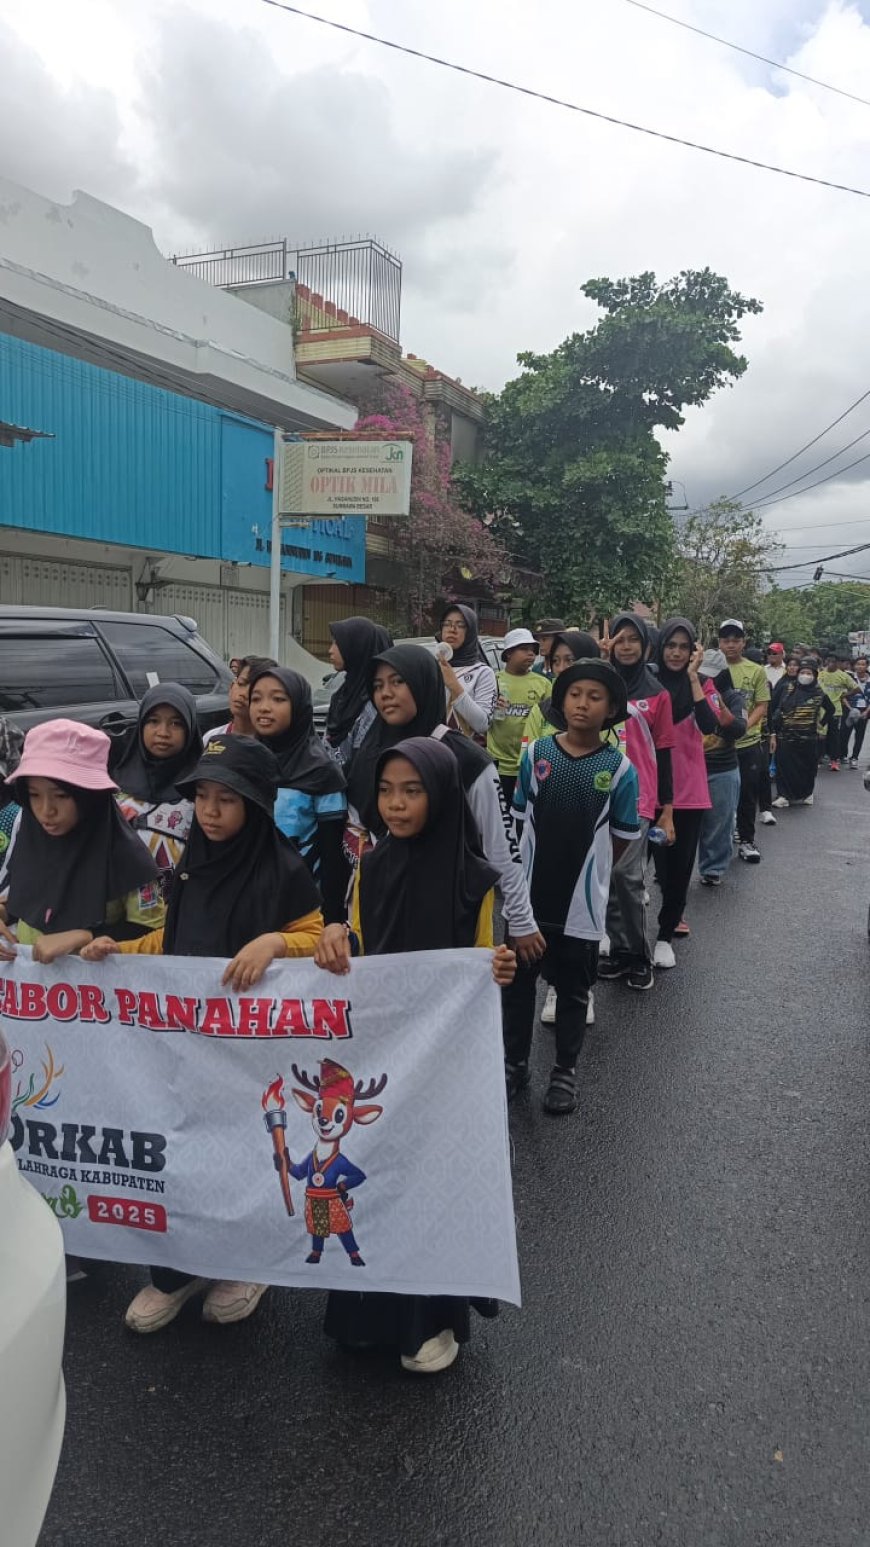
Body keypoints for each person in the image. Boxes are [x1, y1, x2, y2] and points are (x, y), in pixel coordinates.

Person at [81, 736, 325, 1333]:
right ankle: (176, 1270)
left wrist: (274, 942)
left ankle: (245, 1262)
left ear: (257, 807)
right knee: (184, 1151)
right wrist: (119, 950)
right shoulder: (190, 863)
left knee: (244, 1157)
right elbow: (173, 940)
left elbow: (321, 942)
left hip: (252, 1056)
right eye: (203, 799)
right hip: (189, 1047)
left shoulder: (284, 870)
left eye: (227, 800)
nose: (211, 812)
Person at [314, 736, 516, 1374]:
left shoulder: (475, 878)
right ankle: (365, 1318)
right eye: (386, 791)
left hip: (445, 1062)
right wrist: (334, 937)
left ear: (443, 795)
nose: (396, 805)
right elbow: (360, 952)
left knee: (430, 1182)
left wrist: (499, 968)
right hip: (381, 1052)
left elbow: (484, 961)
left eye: (413, 790)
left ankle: (433, 1320)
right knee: (378, 1179)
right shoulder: (369, 866)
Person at [345, 646, 545, 962]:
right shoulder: (370, 751)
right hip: (383, 902)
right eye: (378, 685)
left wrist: (520, 919)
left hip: (451, 908)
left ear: (423, 682)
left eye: (398, 682)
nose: (386, 694)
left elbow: (501, 845)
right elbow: (361, 832)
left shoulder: (467, 760)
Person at [503, 660, 639, 1113]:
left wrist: (593, 878)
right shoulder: (536, 755)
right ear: (561, 702)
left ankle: (564, 1070)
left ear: (612, 708)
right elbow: (519, 823)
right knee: (518, 987)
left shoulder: (619, 769)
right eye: (575, 694)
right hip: (529, 900)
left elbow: (621, 837)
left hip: (580, 904)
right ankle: (514, 1064)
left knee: (574, 988)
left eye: (594, 696)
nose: (583, 703)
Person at [0, 719, 163, 960]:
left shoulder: (127, 858)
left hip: (100, 993)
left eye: (61, 795)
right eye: (34, 795)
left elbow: (152, 930)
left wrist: (87, 935)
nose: (46, 810)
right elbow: (25, 903)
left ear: (90, 797)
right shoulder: (31, 841)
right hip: (32, 993)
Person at [597, 612, 674, 993]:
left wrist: (668, 808)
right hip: (598, 794)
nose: (625, 646)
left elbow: (665, 752)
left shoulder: (658, 693)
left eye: (633, 639)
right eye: (619, 639)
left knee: (627, 877)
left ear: (645, 645)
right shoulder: (601, 686)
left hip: (639, 797)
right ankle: (621, 950)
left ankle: (639, 955)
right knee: (607, 877)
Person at [247, 665, 348, 924]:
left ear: (300, 706)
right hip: (248, 901)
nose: (264, 707)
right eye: (256, 698)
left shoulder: (322, 771)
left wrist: (332, 921)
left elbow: (332, 857)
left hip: (302, 908)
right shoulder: (244, 761)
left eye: (278, 699)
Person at [650, 619, 721, 966]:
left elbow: (711, 725)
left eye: (683, 646)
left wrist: (694, 677)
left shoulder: (705, 684)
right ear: (660, 647)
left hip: (687, 793)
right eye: (670, 646)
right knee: (632, 867)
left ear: (693, 650)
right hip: (646, 789)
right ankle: (620, 932)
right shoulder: (646, 682)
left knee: (678, 869)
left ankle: (665, 935)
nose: (676, 653)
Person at [110, 684, 203, 891]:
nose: (163, 732)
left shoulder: (201, 792)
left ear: (190, 728)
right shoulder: (116, 789)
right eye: (153, 721)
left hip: (181, 905)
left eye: (176, 723)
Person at [717, 620, 770, 863]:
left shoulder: (756, 670)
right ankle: (714, 845)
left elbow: (762, 705)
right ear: (719, 643)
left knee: (748, 795)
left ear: (743, 643)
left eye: (736, 640)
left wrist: (743, 727)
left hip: (748, 744)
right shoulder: (710, 668)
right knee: (716, 798)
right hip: (716, 746)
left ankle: (747, 840)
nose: (731, 645)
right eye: (726, 640)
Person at [696, 651, 747, 886]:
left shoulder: (734, 697)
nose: (707, 679)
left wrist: (716, 699)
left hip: (722, 768)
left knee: (719, 823)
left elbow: (737, 728)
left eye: (712, 676)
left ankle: (713, 868)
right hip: (692, 768)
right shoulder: (690, 691)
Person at [487, 628, 549, 809]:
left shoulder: (542, 684)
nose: (531, 654)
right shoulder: (493, 681)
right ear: (508, 654)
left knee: (526, 816)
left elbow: (550, 723)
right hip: (499, 765)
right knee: (501, 816)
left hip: (531, 764)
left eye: (533, 649)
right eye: (524, 648)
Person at [323, 618, 392, 766]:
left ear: (356, 647)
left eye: (337, 643)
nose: (331, 650)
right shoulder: (342, 695)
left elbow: (363, 760)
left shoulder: (373, 703)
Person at [522, 631, 602, 748]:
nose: (560, 669)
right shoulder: (540, 711)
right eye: (555, 661)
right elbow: (526, 759)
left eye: (570, 660)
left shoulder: (605, 711)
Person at [771, 659, 832, 808]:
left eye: (809, 673)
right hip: (786, 736)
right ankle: (783, 795)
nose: (805, 675)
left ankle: (807, 793)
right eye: (802, 672)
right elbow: (777, 707)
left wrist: (821, 724)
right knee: (784, 767)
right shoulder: (788, 688)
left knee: (807, 767)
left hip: (808, 737)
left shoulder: (818, 693)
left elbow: (831, 710)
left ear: (815, 676)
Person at [436, 605, 497, 739]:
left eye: (460, 625)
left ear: (470, 632)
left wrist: (453, 685)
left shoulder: (482, 672)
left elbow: (482, 724)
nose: (452, 629)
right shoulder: (430, 666)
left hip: (465, 754)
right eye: (447, 624)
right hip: (430, 751)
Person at [204, 655, 278, 744]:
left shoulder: (275, 745)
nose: (243, 694)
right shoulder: (211, 738)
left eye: (254, 690)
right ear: (231, 687)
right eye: (241, 683)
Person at [818, 653, 856, 771]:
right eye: (828, 661)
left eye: (833, 661)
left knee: (834, 736)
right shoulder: (820, 674)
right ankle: (818, 759)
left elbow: (856, 688)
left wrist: (844, 695)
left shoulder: (843, 676)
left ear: (838, 663)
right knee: (820, 736)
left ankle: (834, 761)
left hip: (836, 711)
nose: (830, 664)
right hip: (821, 710)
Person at [841, 656, 870, 767]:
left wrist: (866, 712)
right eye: (858, 664)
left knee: (859, 735)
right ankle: (843, 755)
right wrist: (849, 709)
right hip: (849, 709)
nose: (860, 666)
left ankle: (854, 757)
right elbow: (842, 696)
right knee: (844, 733)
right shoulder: (849, 678)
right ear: (854, 665)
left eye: (863, 664)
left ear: (867, 666)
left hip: (864, 710)